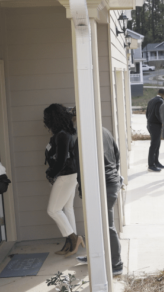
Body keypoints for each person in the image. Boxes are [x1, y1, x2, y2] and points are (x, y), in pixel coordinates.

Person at [74, 127, 124, 275]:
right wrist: (115, 175)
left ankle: (117, 264)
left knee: (107, 226)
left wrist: (82, 190)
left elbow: (80, 167)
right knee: (95, 224)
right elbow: (117, 155)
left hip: (103, 185)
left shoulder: (82, 138)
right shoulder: (105, 131)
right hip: (110, 182)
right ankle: (95, 256)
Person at [43, 104, 84, 256]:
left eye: (46, 117)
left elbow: (61, 161)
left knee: (53, 210)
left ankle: (74, 238)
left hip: (65, 176)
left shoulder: (62, 135)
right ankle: (70, 244)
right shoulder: (63, 133)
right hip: (70, 175)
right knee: (67, 209)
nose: (44, 121)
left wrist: (51, 174)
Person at [146, 89, 164, 172]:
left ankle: (156, 162)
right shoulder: (160, 101)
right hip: (155, 125)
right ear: (163, 95)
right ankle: (151, 165)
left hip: (151, 124)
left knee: (157, 144)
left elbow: (147, 113)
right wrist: (163, 122)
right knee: (154, 145)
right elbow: (158, 114)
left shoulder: (151, 100)